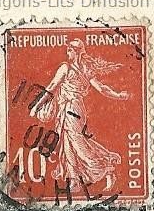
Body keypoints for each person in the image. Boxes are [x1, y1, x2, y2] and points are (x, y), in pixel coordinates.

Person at [29, 39, 130, 192]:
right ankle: (74, 178)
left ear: (75, 51)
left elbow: (51, 87)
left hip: (72, 108)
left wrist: (36, 106)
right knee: (66, 141)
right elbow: (101, 88)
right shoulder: (84, 69)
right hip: (69, 108)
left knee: (77, 142)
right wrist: (118, 95)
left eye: (69, 50)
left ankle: (106, 169)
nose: (67, 53)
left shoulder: (67, 68)